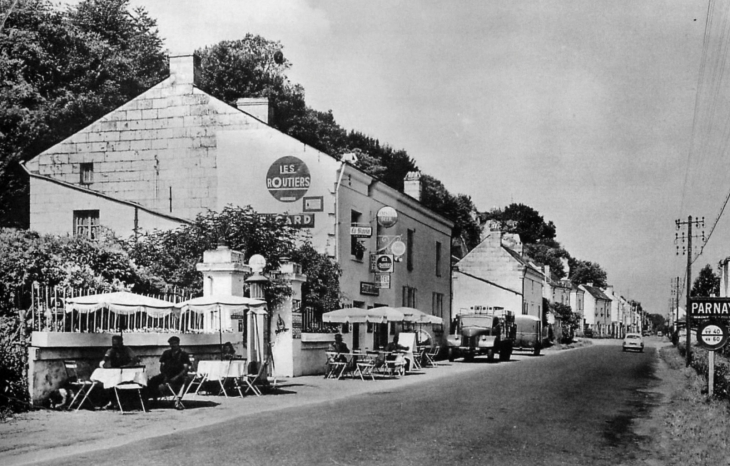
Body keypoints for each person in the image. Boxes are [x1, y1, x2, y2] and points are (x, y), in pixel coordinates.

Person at [149, 336, 191, 409]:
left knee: (185, 380)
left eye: (175, 343)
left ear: (178, 343)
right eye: (171, 344)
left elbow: (185, 368)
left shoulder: (183, 354)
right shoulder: (166, 353)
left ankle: (178, 401)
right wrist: (164, 375)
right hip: (166, 375)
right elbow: (162, 366)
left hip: (178, 375)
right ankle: (153, 400)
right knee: (152, 380)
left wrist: (176, 377)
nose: (173, 345)